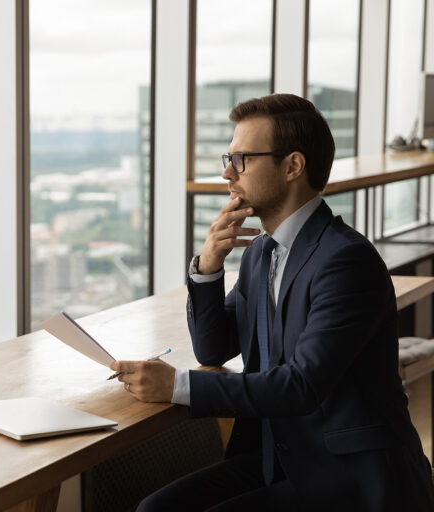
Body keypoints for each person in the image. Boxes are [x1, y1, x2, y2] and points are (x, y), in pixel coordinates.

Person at [110, 94, 434, 510]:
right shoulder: (261, 253)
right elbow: (214, 346)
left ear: (292, 166)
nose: (228, 172)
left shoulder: (345, 261)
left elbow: (301, 386)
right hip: (281, 457)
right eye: (229, 157)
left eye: (242, 159)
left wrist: (176, 385)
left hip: (350, 479)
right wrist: (207, 265)